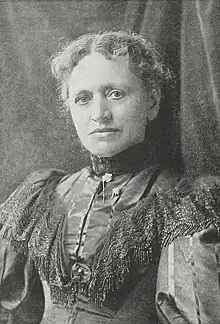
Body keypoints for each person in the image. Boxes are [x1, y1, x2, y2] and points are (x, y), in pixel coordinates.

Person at [0, 30, 219, 324]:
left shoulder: (181, 203)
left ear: (152, 102)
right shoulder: (42, 197)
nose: (99, 113)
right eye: (83, 99)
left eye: (115, 94)